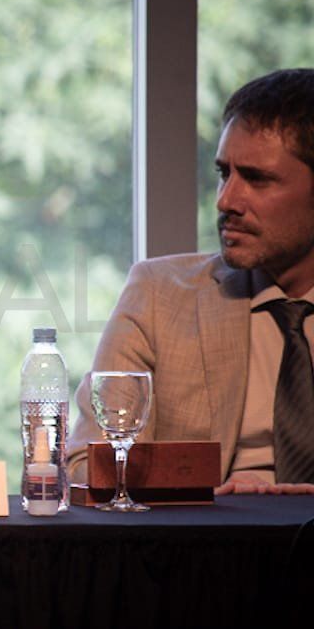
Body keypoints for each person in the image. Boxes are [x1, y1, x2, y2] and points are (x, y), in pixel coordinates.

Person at [67, 68, 314, 495]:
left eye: (256, 179)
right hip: (202, 550)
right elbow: (87, 466)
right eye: (224, 173)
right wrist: (213, 497)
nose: (226, 200)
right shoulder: (159, 295)